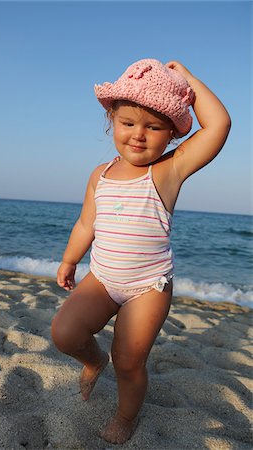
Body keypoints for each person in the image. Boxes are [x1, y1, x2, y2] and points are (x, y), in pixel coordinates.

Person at [51, 59, 231, 444]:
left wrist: (189, 81)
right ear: (111, 121)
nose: (138, 135)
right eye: (128, 123)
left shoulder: (168, 170)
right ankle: (94, 360)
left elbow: (218, 126)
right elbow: (87, 224)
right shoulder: (100, 174)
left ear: (171, 133)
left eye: (153, 126)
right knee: (65, 333)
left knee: (130, 361)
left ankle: (126, 416)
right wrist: (70, 259)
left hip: (148, 286)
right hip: (102, 278)